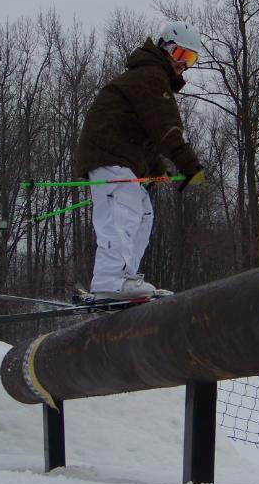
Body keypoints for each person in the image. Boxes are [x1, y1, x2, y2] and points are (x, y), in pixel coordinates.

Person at [73, 20, 206, 299]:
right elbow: (165, 127)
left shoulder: (150, 77)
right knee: (124, 209)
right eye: (182, 55)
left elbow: (144, 132)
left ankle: (126, 279)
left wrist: (156, 168)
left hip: (122, 154)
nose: (185, 64)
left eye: (191, 59)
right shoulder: (150, 76)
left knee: (143, 213)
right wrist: (188, 163)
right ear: (166, 48)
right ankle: (110, 280)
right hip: (108, 152)